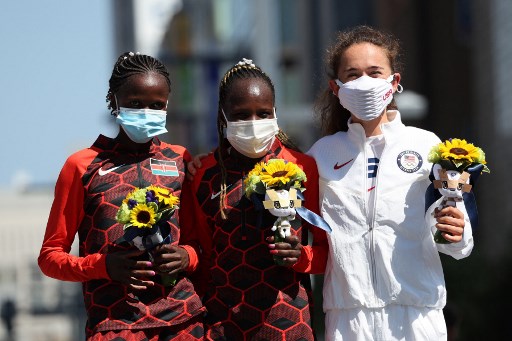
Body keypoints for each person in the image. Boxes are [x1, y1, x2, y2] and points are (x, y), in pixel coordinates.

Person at [307, 25, 474, 340]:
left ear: (394, 82)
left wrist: (456, 232)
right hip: (348, 318)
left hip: (417, 313)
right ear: (336, 87)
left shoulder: (427, 146)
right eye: (353, 75)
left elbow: (458, 241)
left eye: (374, 72)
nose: (365, 83)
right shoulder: (321, 155)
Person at [38, 52, 205, 340]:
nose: (146, 112)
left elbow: (200, 245)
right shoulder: (81, 166)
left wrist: (186, 256)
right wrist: (103, 266)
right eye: (135, 104)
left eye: (156, 105)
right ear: (114, 101)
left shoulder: (180, 159)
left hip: (184, 322)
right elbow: (50, 257)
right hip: (114, 326)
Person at [183, 58, 329, 340]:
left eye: (263, 114)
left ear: (275, 113)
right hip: (222, 326)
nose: (253, 124)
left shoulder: (302, 166)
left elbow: (327, 252)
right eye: (240, 115)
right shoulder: (203, 174)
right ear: (222, 116)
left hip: (290, 323)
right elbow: (201, 255)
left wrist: (301, 257)